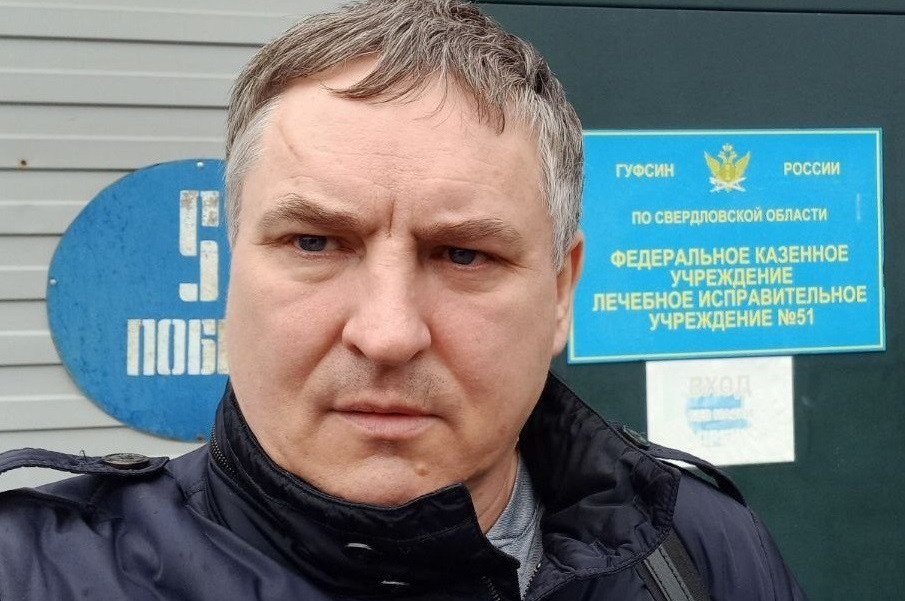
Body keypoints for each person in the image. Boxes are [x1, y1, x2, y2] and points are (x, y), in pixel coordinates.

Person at [0, 1, 807, 599]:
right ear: (229, 268)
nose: (386, 333)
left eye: (463, 254)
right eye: (314, 243)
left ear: (561, 290)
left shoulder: (695, 553)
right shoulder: (32, 570)